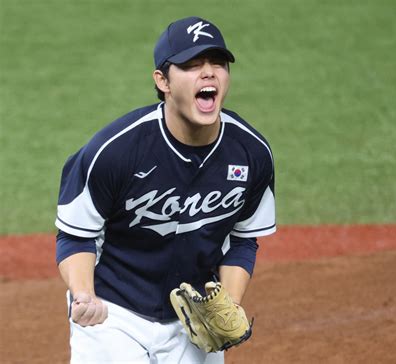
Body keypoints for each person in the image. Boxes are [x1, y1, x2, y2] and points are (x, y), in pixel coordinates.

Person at [55, 16, 276, 363]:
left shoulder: (251, 154)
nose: (208, 73)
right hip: (113, 313)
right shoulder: (115, 151)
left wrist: (228, 305)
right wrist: (84, 296)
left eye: (217, 63)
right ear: (163, 81)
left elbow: (243, 239)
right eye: (191, 65)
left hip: (193, 317)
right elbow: (76, 236)